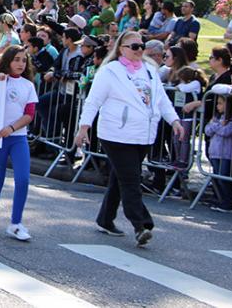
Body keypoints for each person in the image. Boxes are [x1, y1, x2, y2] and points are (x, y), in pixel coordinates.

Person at [73, 31, 184, 247]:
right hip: (116, 133)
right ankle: (141, 224)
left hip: (142, 133)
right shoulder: (110, 71)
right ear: (122, 48)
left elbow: (161, 100)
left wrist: (175, 121)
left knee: (120, 177)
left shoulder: (150, 70)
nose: (139, 50)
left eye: (141, 46)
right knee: (131, 179)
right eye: (134, 46)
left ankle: (105, 219)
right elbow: (93, 101)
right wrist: (83, 127)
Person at [0, 45, 37, 241]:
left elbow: (29, 115)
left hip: (17, 138)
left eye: (24, 60)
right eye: (16, 59)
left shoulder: (28, 86)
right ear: (7, 61)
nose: (21, 64)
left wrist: (12, 128)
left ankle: (15, 224)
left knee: (23, 179)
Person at [204, 95, 232, 213]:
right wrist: (217, 125)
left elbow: (225, 132)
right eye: (217, 103)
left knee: (223, 177)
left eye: (221, 103)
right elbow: (207, 130)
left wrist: (215, 126)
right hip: (214, 153)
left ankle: (228, 201)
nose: (218, 106)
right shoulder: (217, 119)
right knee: (217, 177)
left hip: (225, 153)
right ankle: (221, 199)